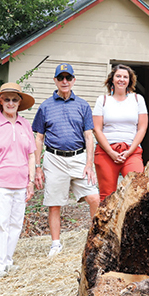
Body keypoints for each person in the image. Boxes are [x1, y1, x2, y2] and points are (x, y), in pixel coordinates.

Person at [32, 63, 99, 258]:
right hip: (54, 159)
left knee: (94, 197)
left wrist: (89, 164)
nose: (64, 81)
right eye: (60, 78)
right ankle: (55, 244)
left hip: (78, 158)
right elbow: (39, 138)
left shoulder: (83, 105)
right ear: (55, 81)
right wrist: (37, 167)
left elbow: (89, 136)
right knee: (54, 204)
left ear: (73, 81)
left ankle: (96, 239)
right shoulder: (45, 106)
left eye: (68, 78)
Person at [0, 82, 36, 277]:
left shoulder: (25, 124)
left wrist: (31, 181)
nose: (11, 103)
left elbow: (32, 155)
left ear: (20, 102)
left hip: (20, 183)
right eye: (7, 99)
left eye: (14, 99)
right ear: (0, 101)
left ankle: (7, 260)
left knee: (15, 224)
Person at [92, 64, 148, 203]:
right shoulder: (103, 100)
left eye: (125, 77)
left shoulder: (137, 99)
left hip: (131, 151)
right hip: (106, 152)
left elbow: (142, 128)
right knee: (107, 196)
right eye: (118, 76)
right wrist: (111, 152)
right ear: (112, 79)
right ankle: (106, 225)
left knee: (136, 191)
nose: (121, 79)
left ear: (130, 80)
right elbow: (97, 129)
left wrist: (129, 152)